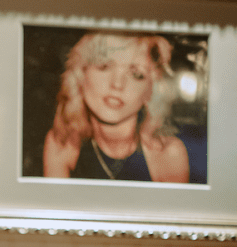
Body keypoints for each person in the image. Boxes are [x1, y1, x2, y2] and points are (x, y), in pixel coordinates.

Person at [43, 31, 190, 181]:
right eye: (104, 66)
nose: (117, 84)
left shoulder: (168, 154)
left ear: (151, 91)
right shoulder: (62, 144)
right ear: (81, 74)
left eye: (136, 74)